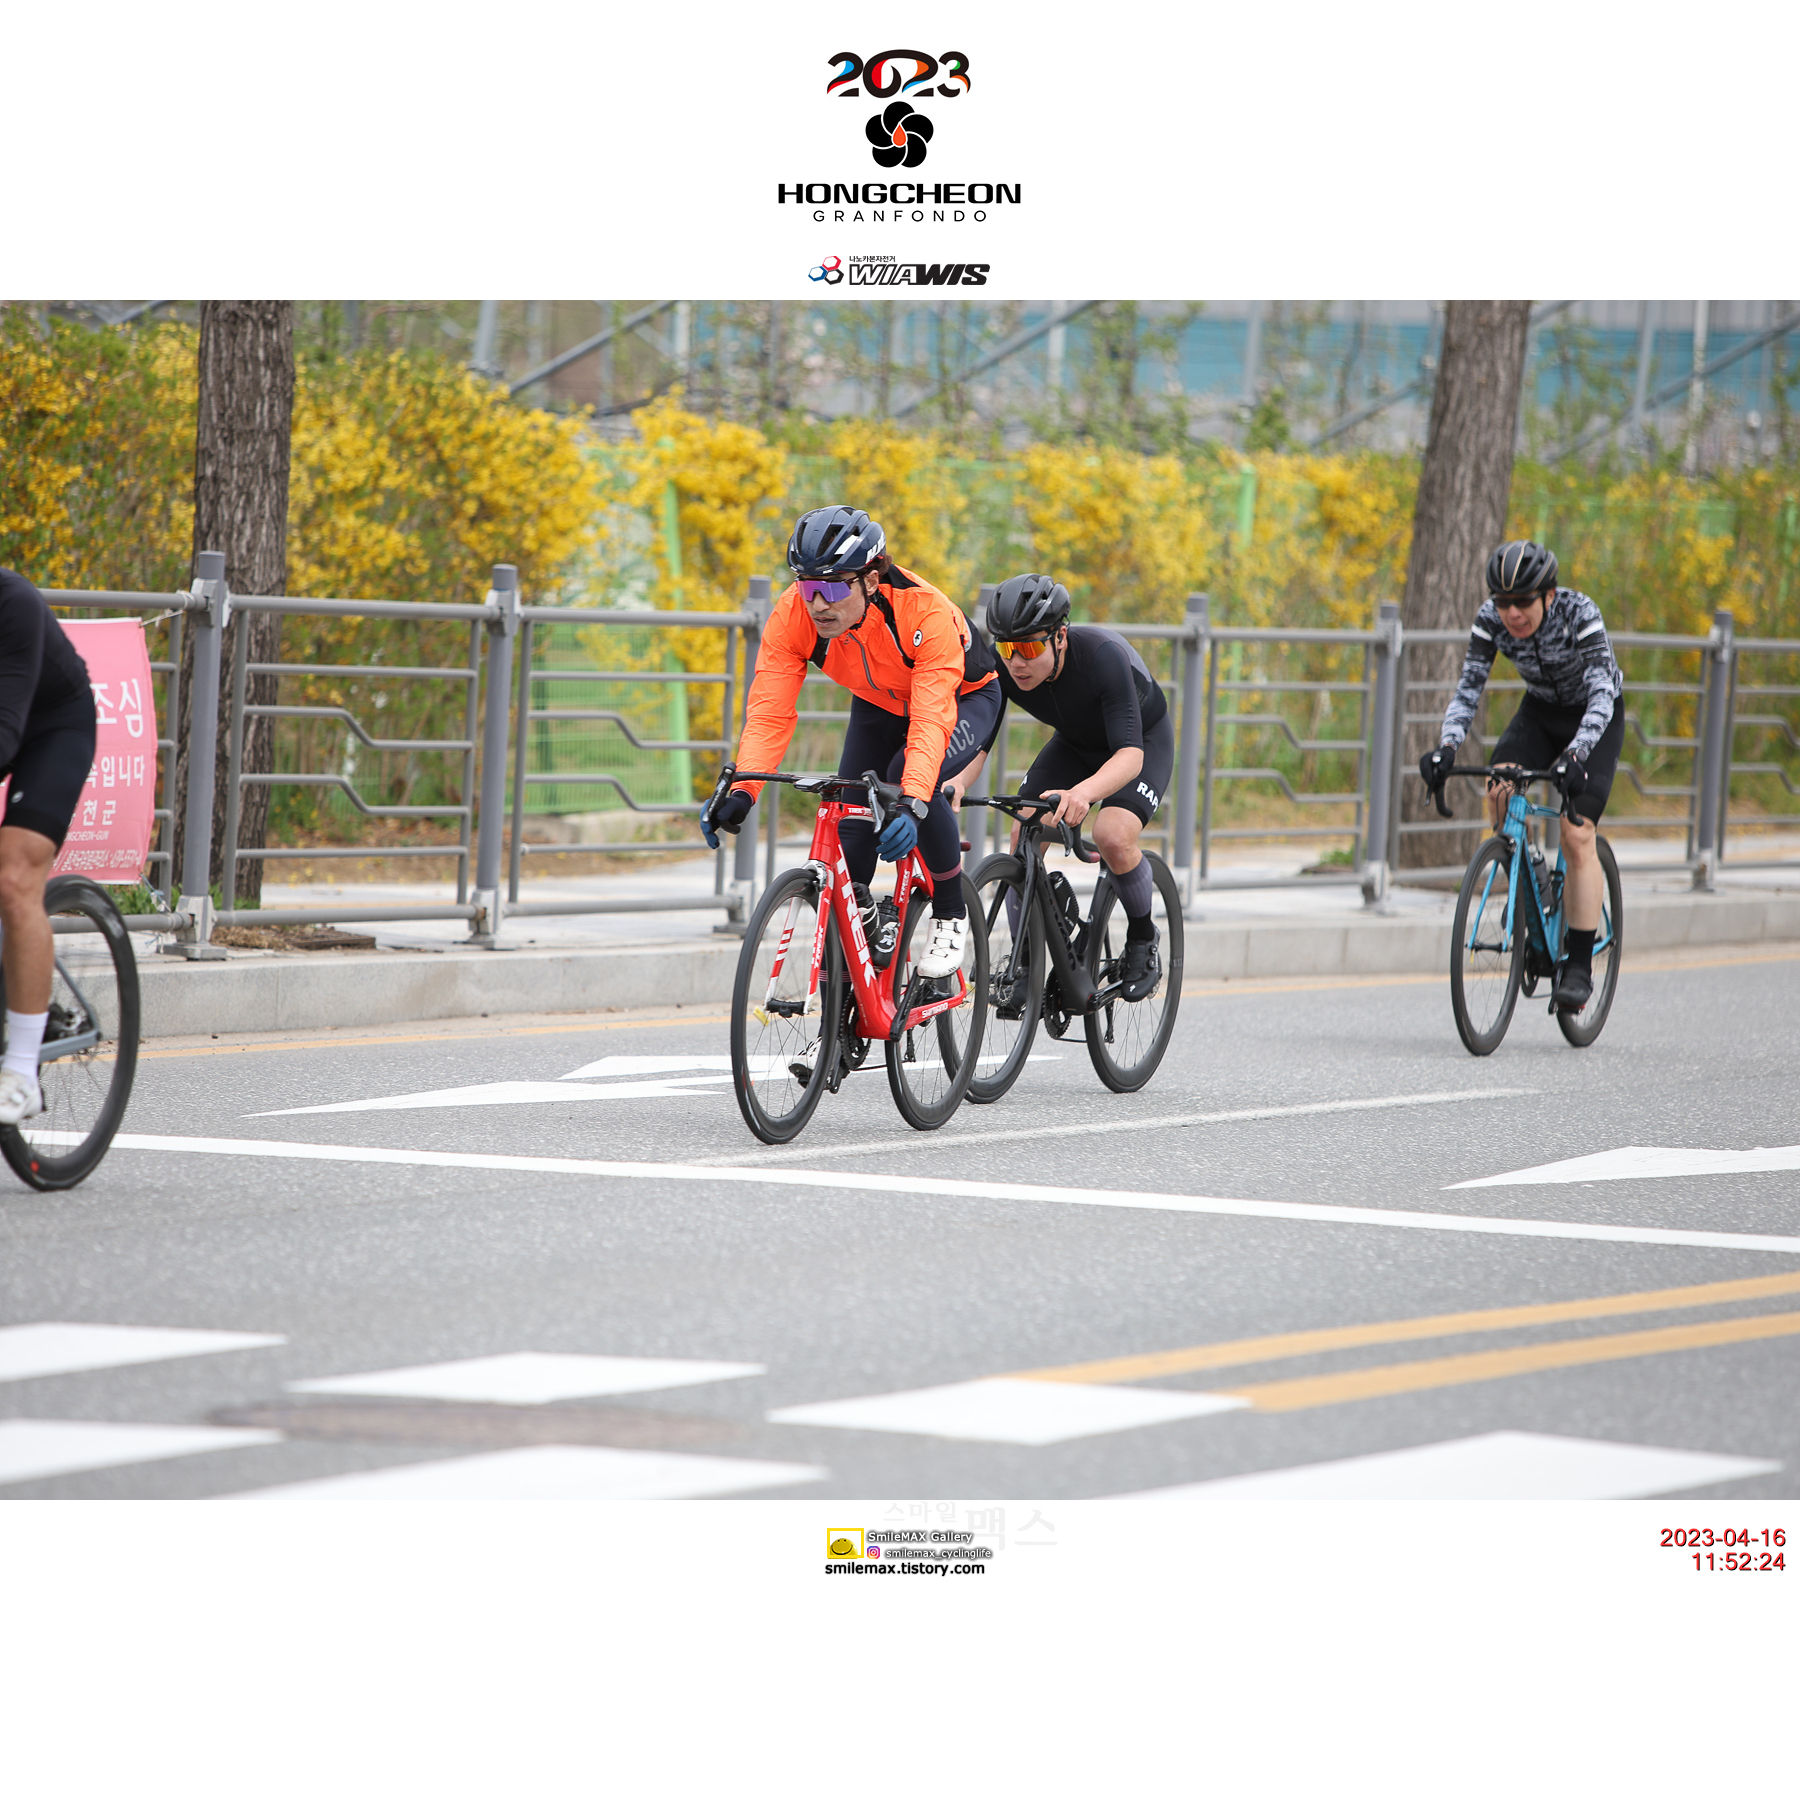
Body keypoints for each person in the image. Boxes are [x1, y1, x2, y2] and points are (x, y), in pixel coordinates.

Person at [703, 507, 1000, 978]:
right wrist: (743, 789)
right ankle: (848, 973)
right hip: (879, 702)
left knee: (906, 775)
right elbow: (769, 711)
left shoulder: (924, 612)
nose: (819, 603)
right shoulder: (794, 614)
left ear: (871, 580)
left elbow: (930, 720)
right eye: (807, 586)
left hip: (963, 698)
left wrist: (913, 802)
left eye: (835, 586)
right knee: (850, 815)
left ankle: (949, 911)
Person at [941, 573, 1170, 1003]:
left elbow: (1130, 756)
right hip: (1076, 744)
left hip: (1140, 742)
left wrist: (1083, 794)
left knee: (1112, 835)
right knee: (1023, 832)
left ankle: (1143, 937)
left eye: (1029, 649)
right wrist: (956, 781)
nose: (1016, 662)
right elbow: (982, 742)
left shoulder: (1101, 657)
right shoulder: (1005, 667)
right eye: (1007, 649)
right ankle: (1026, 962)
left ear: (1060, 637)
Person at [1419, 539, 1625, 1013]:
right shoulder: (1489, 620)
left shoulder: (1579, 612)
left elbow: (1601, 692)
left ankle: (1578, 964)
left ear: (1548, 595)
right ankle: (1530, 883)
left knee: (1576, 833)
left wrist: (1576, 754)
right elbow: (1469, 688)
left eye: (1523, 601)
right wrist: (1447, 747)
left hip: (1595, 717)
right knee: (1499, 787)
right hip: (1540, 712)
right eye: (1503, 601)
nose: (1512, 613)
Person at [0, 568, 99, 1123]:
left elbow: (5, 732)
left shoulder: (11, 601)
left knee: (14, 878)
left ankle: (20, 1074)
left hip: (50, 729)